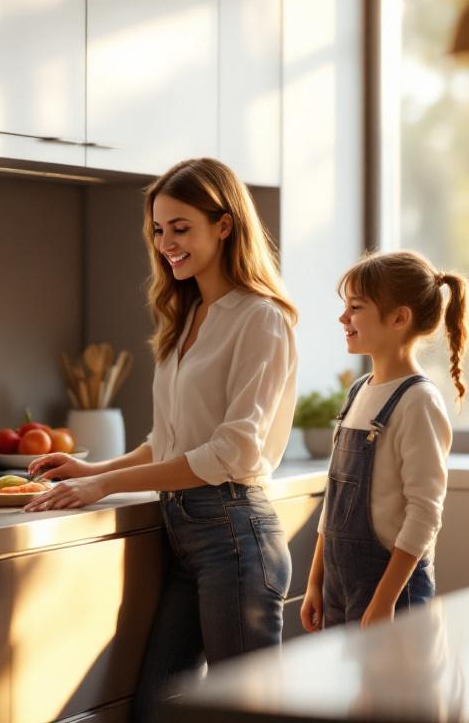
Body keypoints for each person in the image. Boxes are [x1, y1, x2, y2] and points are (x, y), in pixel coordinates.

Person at [23, 157, 298, 722]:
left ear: (224, 225)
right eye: (158, 229)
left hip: (234, 535)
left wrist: (105, 486)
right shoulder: (188, 315)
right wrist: (90, 470)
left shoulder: (261, 319)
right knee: (157, 709)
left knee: (242, 713)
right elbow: (169, 442)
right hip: (187, 537)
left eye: (181, 228)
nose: (166, 243)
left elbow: (230, 453)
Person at [300, 251, 469, 631]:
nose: (343, 318)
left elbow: (424, 513)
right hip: (338, 585)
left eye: (356, 307)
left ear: (399, 318)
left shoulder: (418, 402)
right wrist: (315, 582)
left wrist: (384, 602)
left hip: (391, 594)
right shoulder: (358, 391)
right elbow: (334, 500)